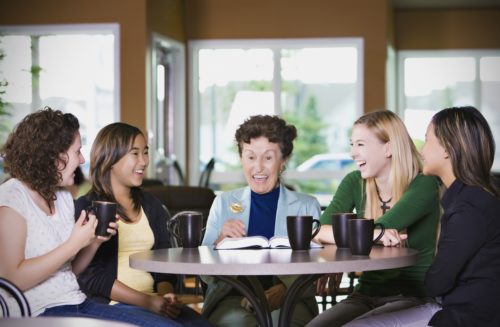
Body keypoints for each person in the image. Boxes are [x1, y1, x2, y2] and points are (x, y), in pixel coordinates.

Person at [0, 107, 171, 325]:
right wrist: (73, 244)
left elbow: (69, 271)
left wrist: (93, 243)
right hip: (38, 312)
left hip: (76, 303)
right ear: (54, 155)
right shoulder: (12, 198)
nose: (82, 160)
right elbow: (11, 279)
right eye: (77, 152)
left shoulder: (60, 198)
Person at [342, 106, 500, 327]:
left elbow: (437, 283)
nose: (422, 151)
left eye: (427, 141)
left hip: (465, 315)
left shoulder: (468, 209)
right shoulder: (474, 198)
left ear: (447, 148)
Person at [307, 110, 441, 327]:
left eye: (360, 145)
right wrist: (372, 234)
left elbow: (379, 228)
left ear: (388, 147)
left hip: (411, 295)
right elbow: (317, 229)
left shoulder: (423, 184)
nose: (352, 153)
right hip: (365, 294)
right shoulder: (354, 182)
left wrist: (365, 233)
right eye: (352, 144)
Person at [75, 122, 211, 327]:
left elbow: (164, 262)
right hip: (112, 306)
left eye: (145, 152)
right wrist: (148, 302)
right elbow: (91, 278)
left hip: (155, 302)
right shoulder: (87, 207)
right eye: (135, 153)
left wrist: (167, 297)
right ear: (111, 158)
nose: (144, 161)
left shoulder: (151, 204)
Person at [201, 115, 321, 327]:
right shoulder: (223, 203)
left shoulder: (306, 206)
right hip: (231, 299)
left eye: (268, 157)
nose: (258, 168)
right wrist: (219, 242)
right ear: (241, 159)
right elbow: (204, 275)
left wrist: (284, 291)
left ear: (283, 161)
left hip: (292, 299)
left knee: (282, 323)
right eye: (250, 157)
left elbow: (316, 271)